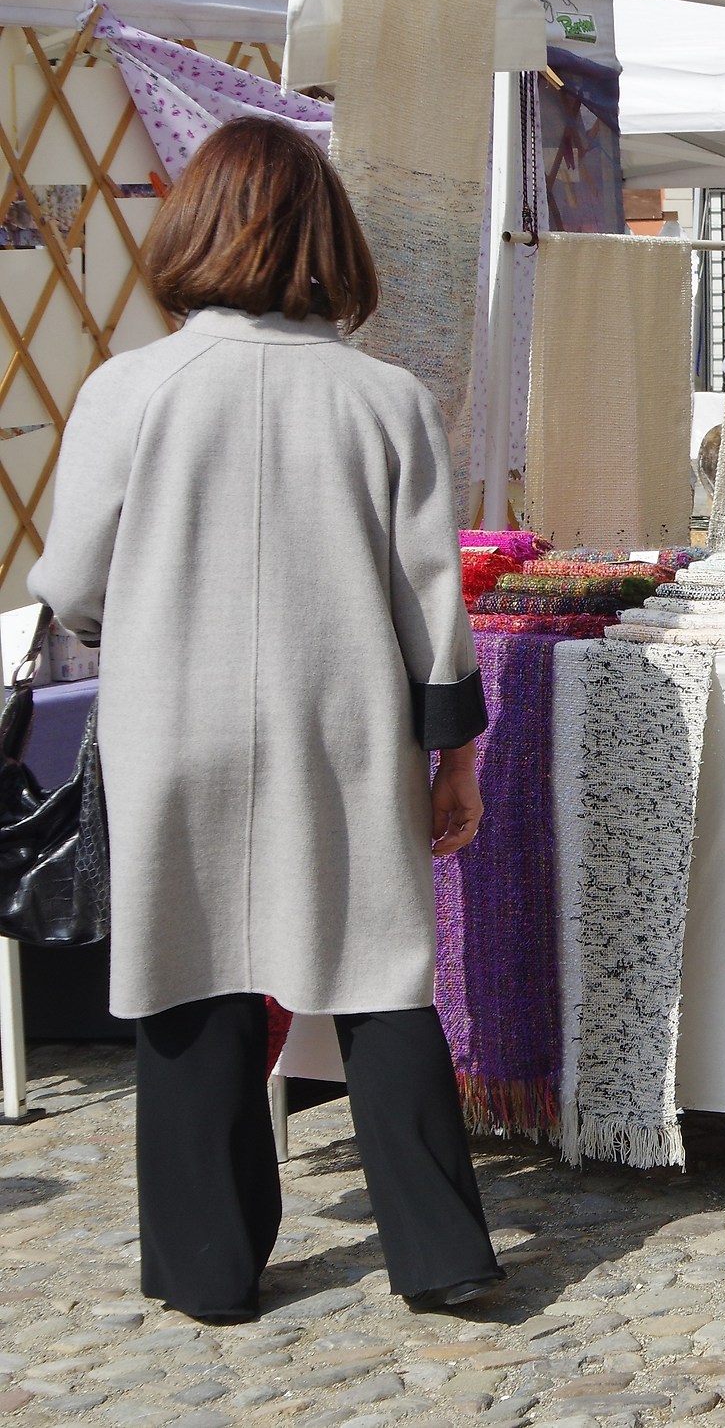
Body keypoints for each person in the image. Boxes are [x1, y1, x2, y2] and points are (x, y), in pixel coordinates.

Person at [30, 117, 502, 1324]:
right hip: (343, 715)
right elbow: (427, 596)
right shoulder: (384, 396)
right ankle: (441, 1251)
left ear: (192, 227)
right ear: (326, 239)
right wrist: (454, 747)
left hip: (170, 718)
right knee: (378, 969)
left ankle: (207, 1265)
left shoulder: (125, 388)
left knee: (188, 969)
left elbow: (73, 581)